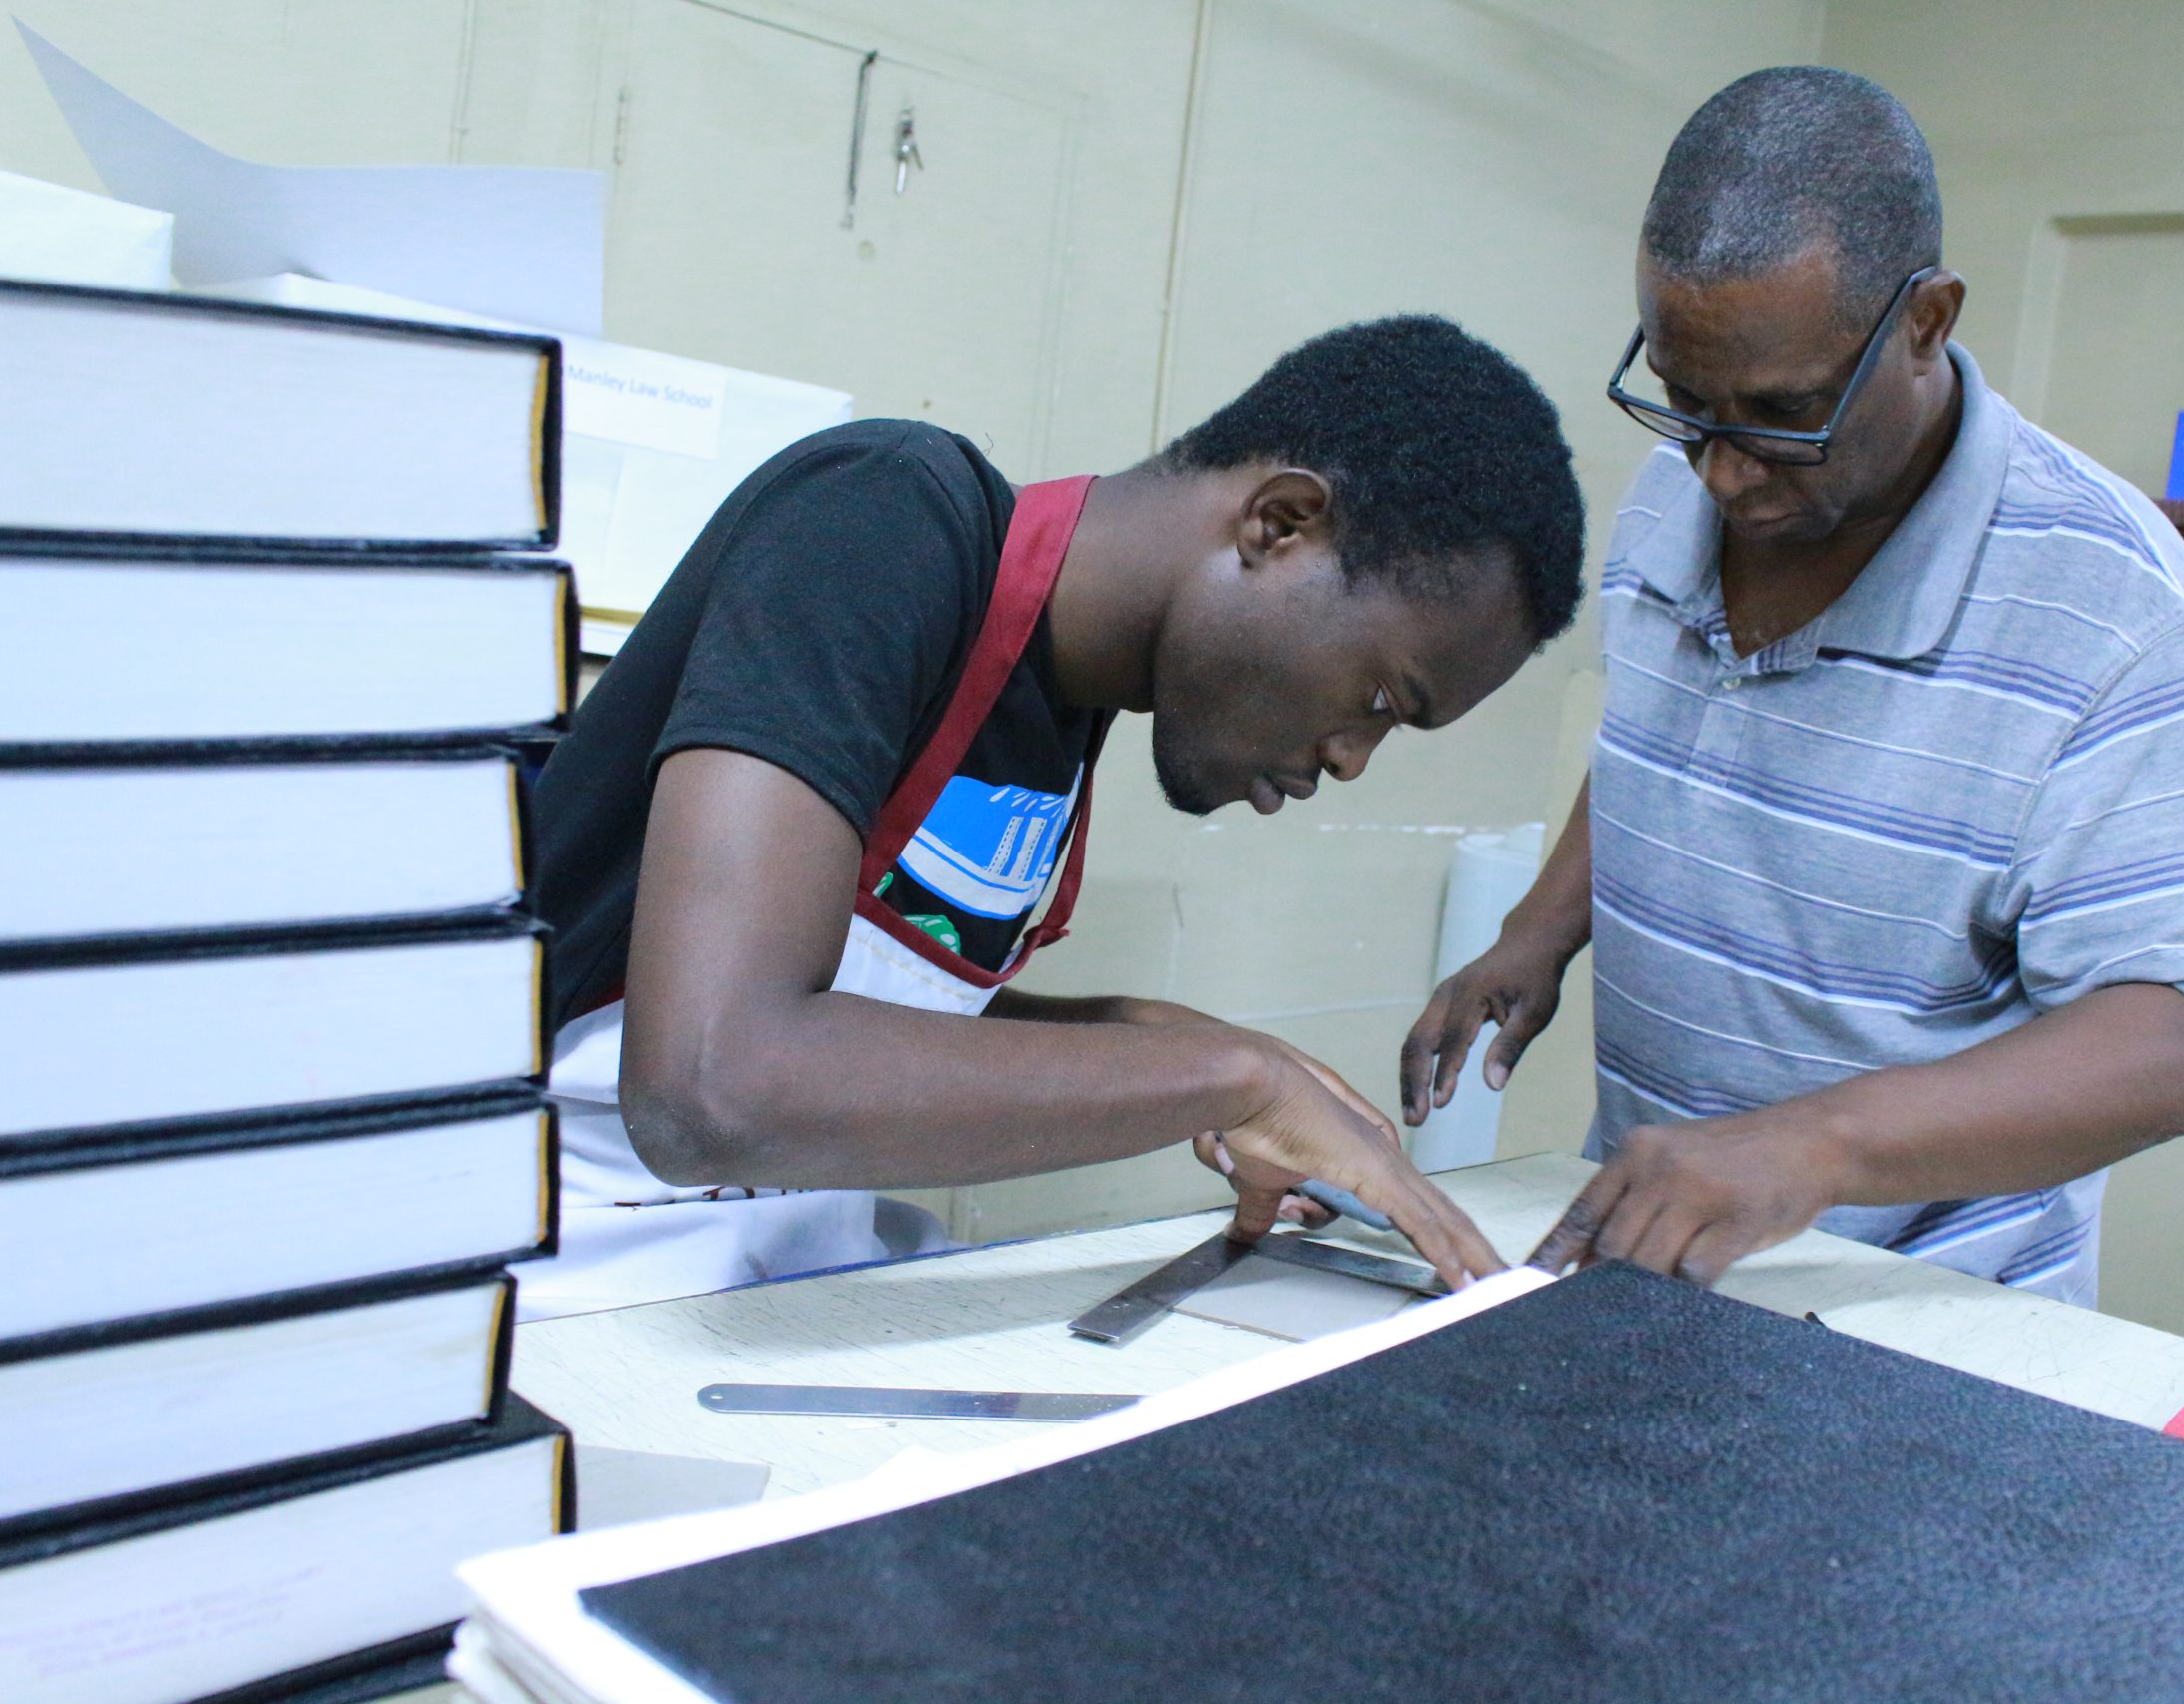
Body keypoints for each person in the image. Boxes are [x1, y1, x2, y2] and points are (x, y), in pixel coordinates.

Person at [1403, 68, 2184, 1307]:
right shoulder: (1681, 488)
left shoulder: (2114, 608)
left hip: (1925, 1310)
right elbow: (1672, 744)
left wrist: (1814, 1147)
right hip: (1664, 1270)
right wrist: (1541, 928)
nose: (1723, 474)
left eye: (1783, 414)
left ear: (1927, 320)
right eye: (1683, 401)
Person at [525, 315, 1585, 1318]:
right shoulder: (880, 512)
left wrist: (1148, 1037)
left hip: (750, 1270)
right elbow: (714, 1087)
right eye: (1381, 700)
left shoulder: (1060, 707)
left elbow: (856, 1009)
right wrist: (1235, 1083)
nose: (1352, 758)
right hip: (539, 1277)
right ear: (1281, 524)